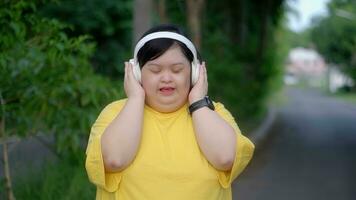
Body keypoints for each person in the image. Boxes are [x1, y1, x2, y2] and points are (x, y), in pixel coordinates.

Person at [85, 24, 254, 200]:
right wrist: (135, 99)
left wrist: (197, 101)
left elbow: (226, 158)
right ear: (136, 73)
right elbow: (114, 159)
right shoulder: (115, 113)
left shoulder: (214, 112)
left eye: (177, 70)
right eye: (155, 70)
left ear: (194, 72)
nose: (166, 78)